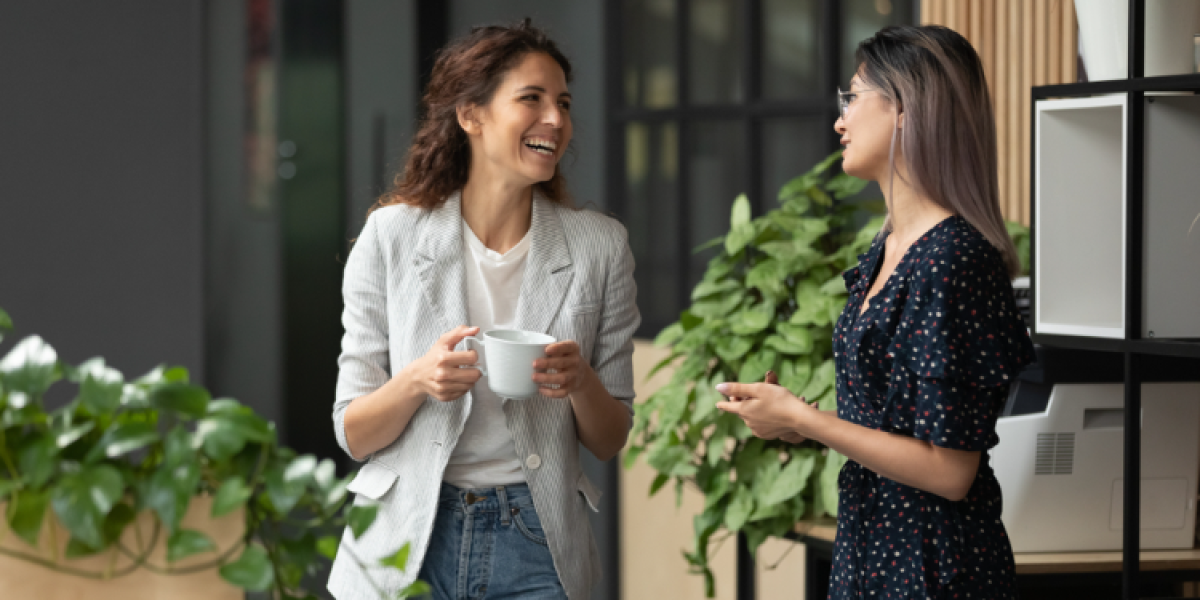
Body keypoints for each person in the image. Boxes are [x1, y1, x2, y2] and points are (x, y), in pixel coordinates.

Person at [715, 25, 1034, 599]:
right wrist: (793, 421)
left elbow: (949, 472)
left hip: (934, 570)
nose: (839, 121)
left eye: (853, 98)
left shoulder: (952, 261)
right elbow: (894, 431)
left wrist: (808, 420)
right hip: (874, 552)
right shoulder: (887, 250)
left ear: (907, 109)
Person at [326, 20, 639, 600]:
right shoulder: (390, 236)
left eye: (563, 103)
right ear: (471, 115)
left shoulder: (600, 246)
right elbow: (353, 431)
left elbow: (611, 436)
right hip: (406, 535)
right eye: (531, 99)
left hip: (536, 537)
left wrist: (580, 382)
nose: (556, 119)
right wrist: (417, 380)